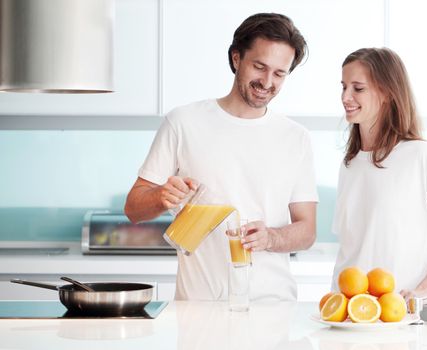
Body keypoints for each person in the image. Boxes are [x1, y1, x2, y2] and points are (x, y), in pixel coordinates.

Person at [124, 13, 318, 301]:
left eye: (280, 73)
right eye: (259, 66)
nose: (267, 82)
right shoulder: (184, 122)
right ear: (237, 58)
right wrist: (161, 196)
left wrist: (272, 238)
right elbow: (133, 208)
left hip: (271, 307)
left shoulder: (295, 137)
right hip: (198, 308)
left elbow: (307, 230)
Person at [331, 47, 427, 300]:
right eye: (343, 87)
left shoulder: (421, 156)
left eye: (358, 88)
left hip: (403, 313)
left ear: (386, 93)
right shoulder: (349, 164)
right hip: (351, 312)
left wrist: (424, 290)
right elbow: (353, 246)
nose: (346, 96)